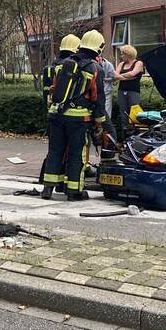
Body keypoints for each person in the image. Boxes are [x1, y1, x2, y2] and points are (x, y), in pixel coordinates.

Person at [41, 29, 105, 201]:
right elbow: (98, 99)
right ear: (98, 48)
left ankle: (48, 189)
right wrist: (100, 124)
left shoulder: (62, 64)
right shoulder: (95, 68)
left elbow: (54, 89)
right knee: (77, 154)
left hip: (56, 114)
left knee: (55, 151)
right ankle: (74, 191)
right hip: (78, 119)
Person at [114, 45, 144, 138]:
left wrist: (122, 77)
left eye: (123, 54)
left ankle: (136, 135)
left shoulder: (138, 63)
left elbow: (133, 73)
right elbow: (115, 75)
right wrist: (128, 77)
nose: (121, 56)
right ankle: (125, 137)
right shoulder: (121, 64)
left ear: (128, 54)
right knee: (123, 114)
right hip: (121, 91)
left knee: (135, 113)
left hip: (133, 91)